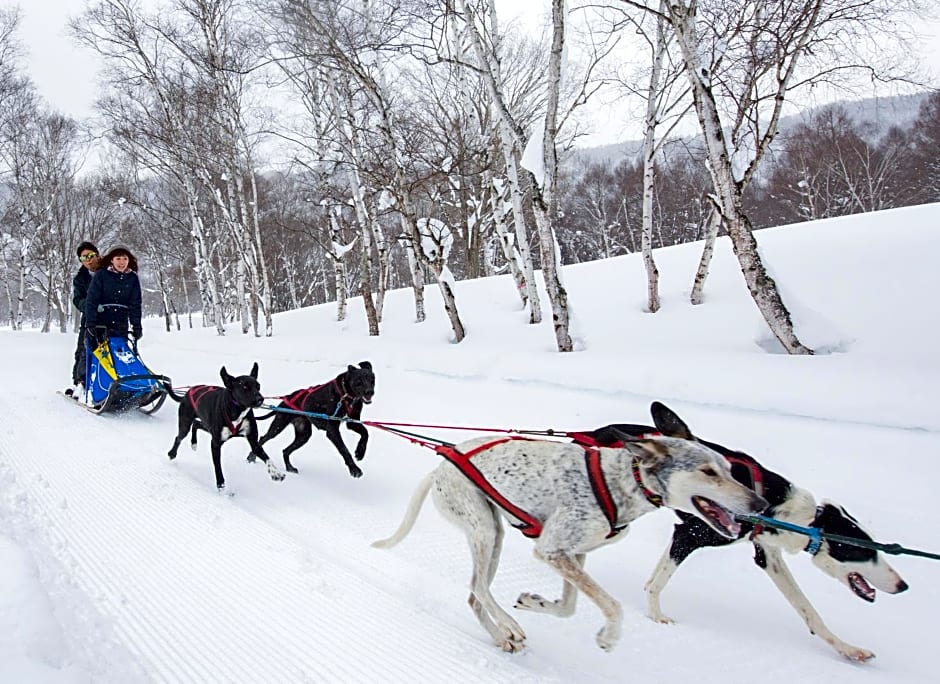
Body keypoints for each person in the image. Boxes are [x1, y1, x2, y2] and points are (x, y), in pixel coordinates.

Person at [84, 246, 143, 347]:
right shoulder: (101, 275)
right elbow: (92, 300)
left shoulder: (132, 278)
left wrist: (136, 326)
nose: (122, 262)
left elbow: (135, 304)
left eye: (125, 259)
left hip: (121, 323)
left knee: (119, 353)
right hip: (100, 321)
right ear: (112, 260)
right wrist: (90, 323)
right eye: (118, 259)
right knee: (97, 355)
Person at [66, 241, 100, 396]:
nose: (88, 260)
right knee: (83, 350)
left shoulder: (107, 272)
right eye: (84, 257)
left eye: (91, 256)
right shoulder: (80, 278)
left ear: (97, 255)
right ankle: (79, 382)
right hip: (89, 320)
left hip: (111, 318)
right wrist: (90, 304)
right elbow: (77, 299)